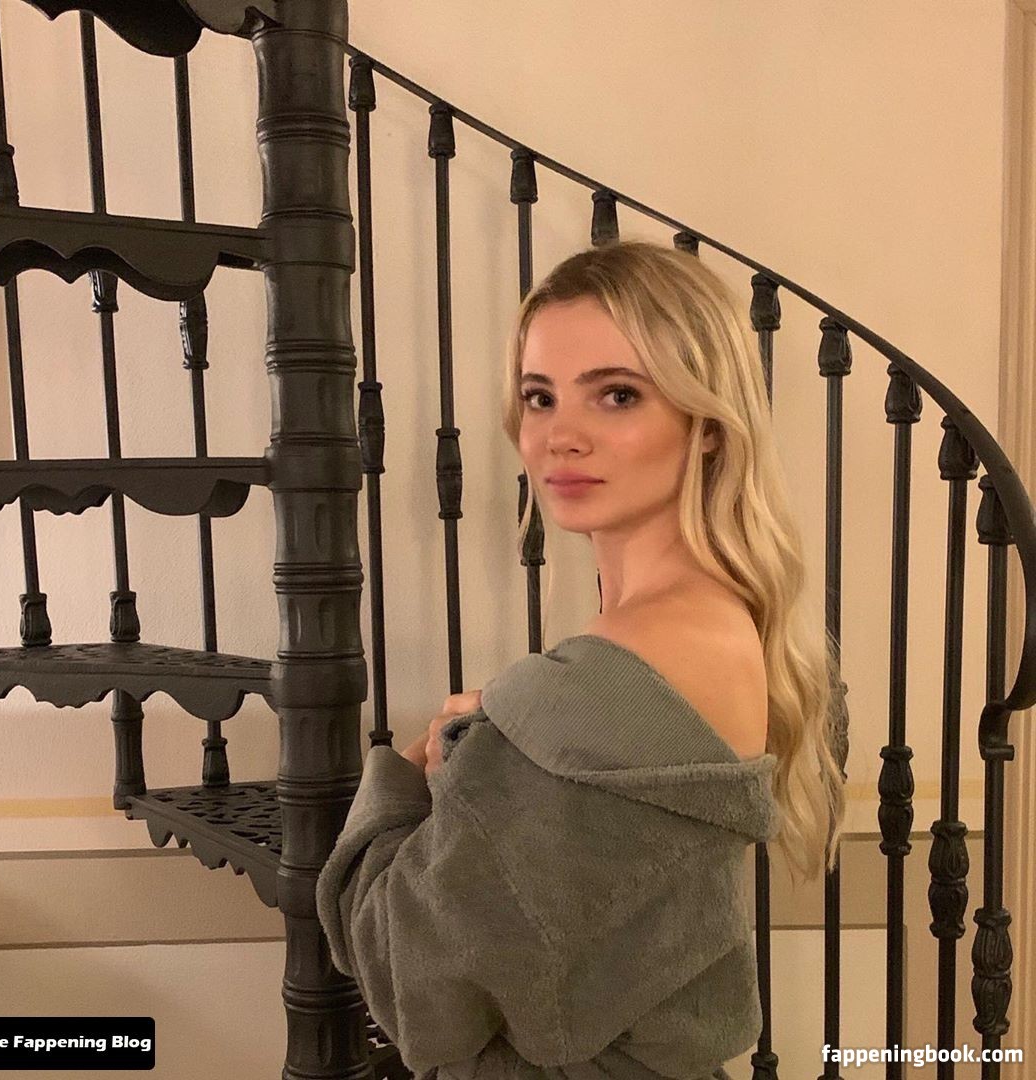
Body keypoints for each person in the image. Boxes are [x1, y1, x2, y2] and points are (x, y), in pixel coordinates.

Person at [316, 239, 847, 1080]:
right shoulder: (688, 632)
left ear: (708, 426)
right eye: (540, 397)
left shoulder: (645, 657)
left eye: (617, 394)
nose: (559, 436)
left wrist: (410, 775)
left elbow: (406, 976)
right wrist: (491, 740)